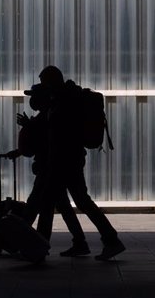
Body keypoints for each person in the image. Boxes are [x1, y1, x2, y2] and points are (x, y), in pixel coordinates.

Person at [36, 66, 126, 261]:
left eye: (44, 83)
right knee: (79, 201)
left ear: (51, 82)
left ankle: (39, 247)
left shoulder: (65, 100)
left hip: (64, 161)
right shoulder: (66, 97)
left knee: (49, 201)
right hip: (71, 159)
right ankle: (107, 240)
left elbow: (61, 133)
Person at [6, 83, 91, 257]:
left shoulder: (48, 116)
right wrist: (18, 151)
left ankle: (29, 245)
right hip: (51, 168)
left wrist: (28, 126)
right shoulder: (46, 115)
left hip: (48, 169)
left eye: (34, 96)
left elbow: (44, 143)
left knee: (37, 206)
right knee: (60, 206)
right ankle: (78, 242)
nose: (32, 100)